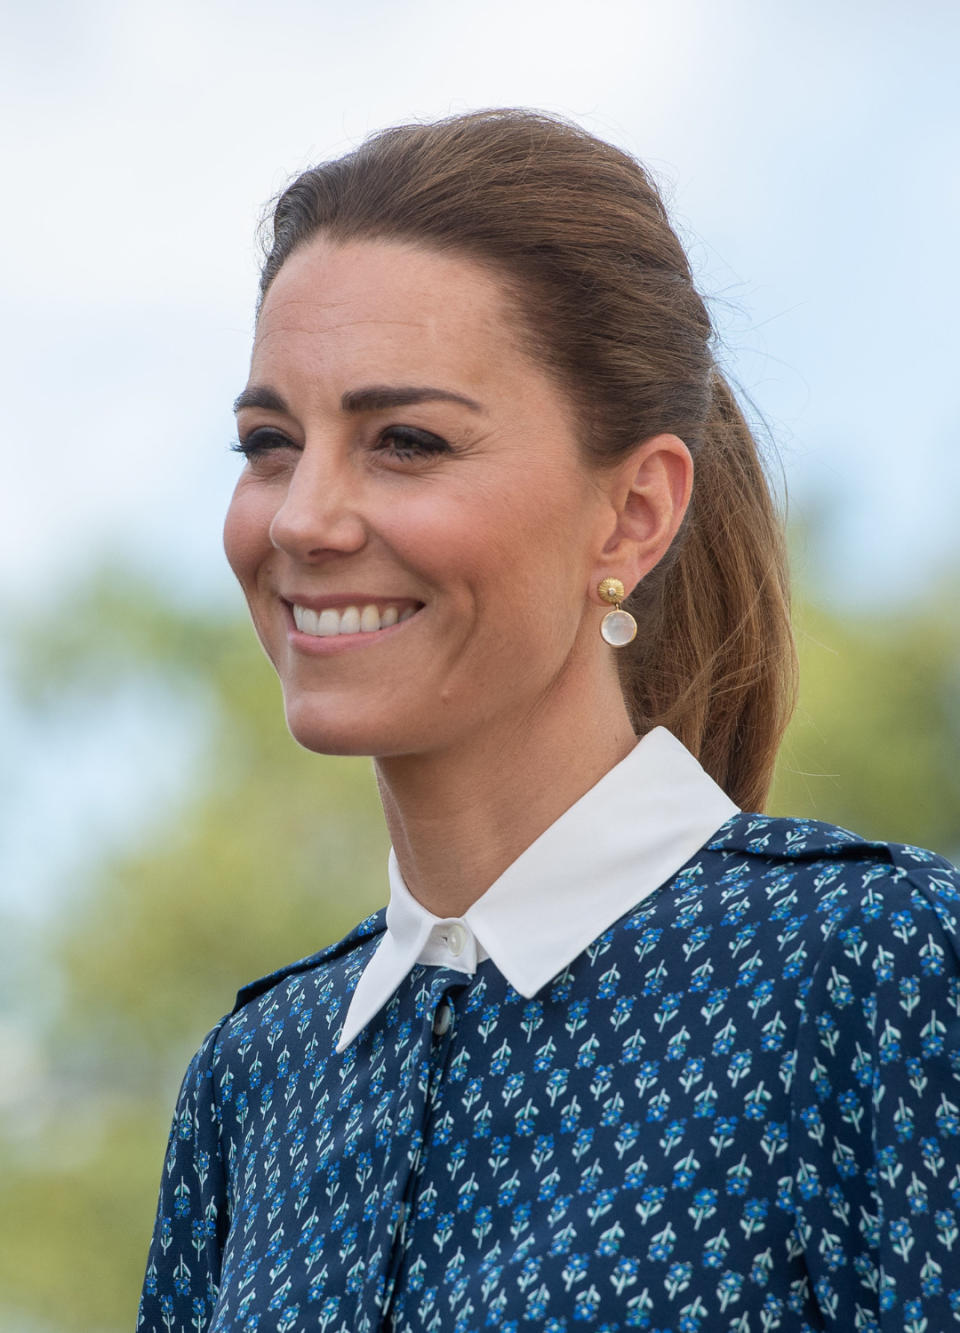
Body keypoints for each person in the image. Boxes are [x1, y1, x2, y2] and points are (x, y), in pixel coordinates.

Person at [137, 110, 960, 1333]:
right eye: (270, 444)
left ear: (632, 514)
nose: (303, 518)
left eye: (405, 442)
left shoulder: (883, 972)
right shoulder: (254, 1078)